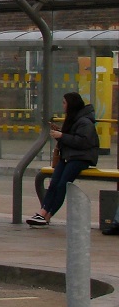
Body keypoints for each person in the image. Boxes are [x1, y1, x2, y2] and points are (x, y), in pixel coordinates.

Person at [26, 92, 99, 227]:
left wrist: (62, 136)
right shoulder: (73, 119)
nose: (63, 106)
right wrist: (61, 135)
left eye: (64, 103)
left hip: (81, 158)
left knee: (62, 185)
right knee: (54, 184)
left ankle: (48, 214)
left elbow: (83, 142)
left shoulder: (84, 121)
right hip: (68, 157)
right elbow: (72, 138)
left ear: (71, 105)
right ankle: (42, 213)